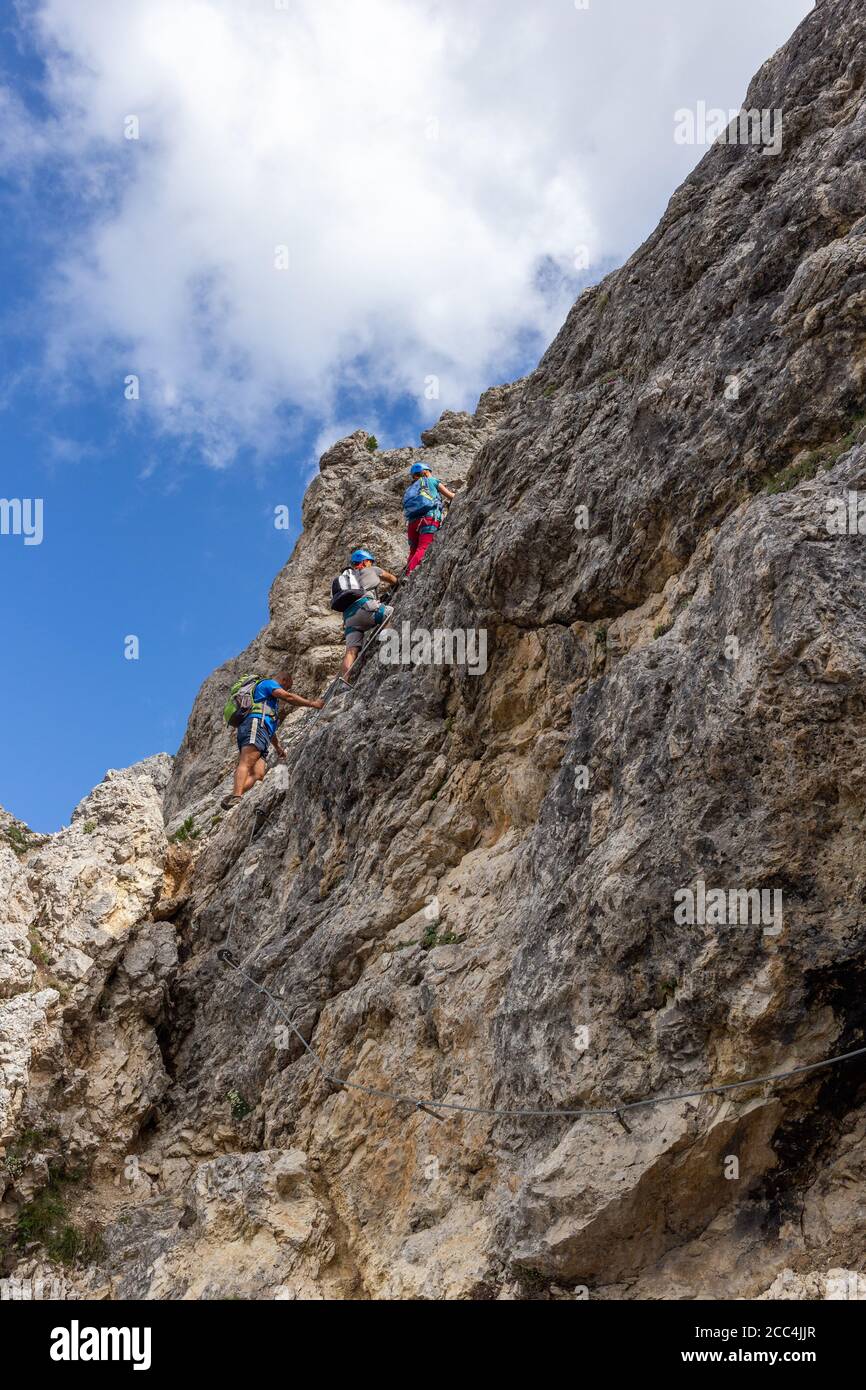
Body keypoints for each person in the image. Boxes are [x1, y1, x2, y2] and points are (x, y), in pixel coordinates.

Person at [221, 673, 324, 809]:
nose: (287, 690)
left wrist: (278, 748)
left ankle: (233, 794)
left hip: (262, 730)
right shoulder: (268, 683)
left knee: (258, 774)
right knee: (246, 762)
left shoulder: (269, 704)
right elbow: (288, 697)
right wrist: (313, 704)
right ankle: (236, 796)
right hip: (254, 726)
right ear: (283, 679)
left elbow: (271, 729)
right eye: (287, 686)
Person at [340, 549, 397, 679]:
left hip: (349, 619)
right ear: (365, 562)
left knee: (351, 651)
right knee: (389, 612)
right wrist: (398, 582)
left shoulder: (349, 580)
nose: (371, 564)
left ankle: (344, 681)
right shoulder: (372, 569)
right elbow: (392, 579)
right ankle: (390, 647)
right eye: (370, 562)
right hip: (364, 608)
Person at [403, 462, 455, 573]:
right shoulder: (432, 481)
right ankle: (409, 574)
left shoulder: (411, 488)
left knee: (413, 551)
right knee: (423, 547)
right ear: (426, 472)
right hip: (429, 518)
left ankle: (405, 575)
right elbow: (451, 496)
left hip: (412, 522)